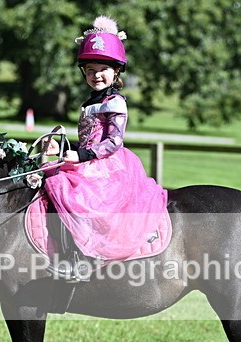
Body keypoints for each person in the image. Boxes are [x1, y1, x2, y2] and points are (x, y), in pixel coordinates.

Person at [43, 16, 169, 282]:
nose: (96, 75)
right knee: (51, 179)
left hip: (109, 165)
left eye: (102, 69)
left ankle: (83, 259)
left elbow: (113, 142)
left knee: (75, 196)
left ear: (116, 72)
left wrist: (82, 155)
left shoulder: (115, 102)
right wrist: (64, 146)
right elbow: (89, 140)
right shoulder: (90, 103)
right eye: (90, 70)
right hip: (90, 159)